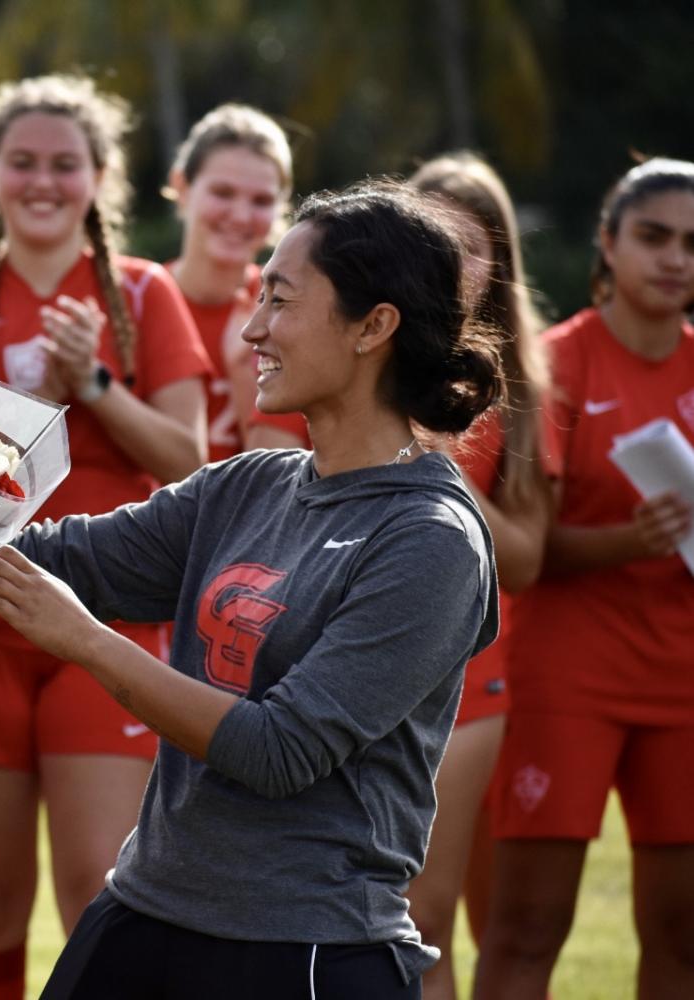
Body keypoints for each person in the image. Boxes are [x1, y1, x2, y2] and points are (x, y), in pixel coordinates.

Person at [0, 179, 503, 999]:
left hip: (303, 949)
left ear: (374, 327)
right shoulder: (246, 486)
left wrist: (82, 640)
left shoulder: (430, 540)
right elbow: (57, 558)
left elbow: (277, 751)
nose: (252, 329)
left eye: (280, 301)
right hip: (143, 914)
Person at [0, 73, 211, 1000]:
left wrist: (97, 384)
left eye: (65, 164)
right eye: (22, 162)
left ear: (101, 178)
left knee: (96, 894)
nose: (43, 182)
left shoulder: (143, 293)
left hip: (103, 632)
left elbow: (190, 462)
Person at [475, 158, 694, 1000]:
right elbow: (521, 550)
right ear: (606, 243)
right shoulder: (554, 363)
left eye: (690, 244)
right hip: (565, 670)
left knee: (681, 929)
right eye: (653, 237)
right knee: (528, 923)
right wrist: (624, 541)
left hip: (680, 676)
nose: (674, 259)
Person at [396, 153, 557, 1000]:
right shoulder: (365, 344)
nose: (456, 257)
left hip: (466, 680)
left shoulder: (519, 384)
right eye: (436, 235)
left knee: (423, 919)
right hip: (353, 655)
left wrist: (436, 466)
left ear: (499, 261)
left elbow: (525, 561)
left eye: (474, 243)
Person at [164, 103, 307, 459]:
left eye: (261, 200)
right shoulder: (135, 298)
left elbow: (279, 483)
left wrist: (245, 381)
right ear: (182, 187)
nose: (240, 216)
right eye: (223, 193)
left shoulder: (292, 315)